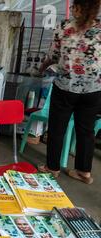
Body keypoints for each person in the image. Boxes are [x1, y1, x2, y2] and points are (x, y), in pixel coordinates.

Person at [38, 0, 101, 185]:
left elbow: (53, 56)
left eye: (74, 6)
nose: (72, 9)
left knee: (58, 128)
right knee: (86, 130)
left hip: (66, 86)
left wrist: (42, 68)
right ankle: (84, 171)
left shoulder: (65, 27)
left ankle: (52, 167)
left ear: (80, 8)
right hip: (93, 89)